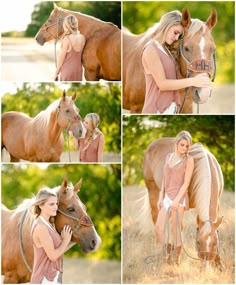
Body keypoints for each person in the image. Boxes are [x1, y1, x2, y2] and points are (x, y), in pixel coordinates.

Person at [141, 10, 211, 114]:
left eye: (179, 35)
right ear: (166, 26)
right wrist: (193, 81)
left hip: (171, 109)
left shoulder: (166, 50)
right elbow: (162, 84)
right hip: (156, 109)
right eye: (175, 32)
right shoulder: (151, 50)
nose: (176, 37)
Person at [156, 131, 194, 265]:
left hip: (179, 198)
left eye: (187, 146)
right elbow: (164, 179)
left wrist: (177, 201)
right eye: (182, 145)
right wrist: (161, 197)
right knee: (159, 228)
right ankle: (166, 254)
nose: (184, 148)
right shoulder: (169, 157)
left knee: (175, 229)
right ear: (177, 143)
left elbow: (186, 183)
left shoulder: (189, 160)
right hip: (167, 197)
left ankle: (176, 260)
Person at [30, 189, 76, 284]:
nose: (55, 207)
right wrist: (65, 241)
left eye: (56, 204)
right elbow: (53, 256)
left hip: (53, 276)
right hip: (43, 279)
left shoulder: (49, 224)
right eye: (51, 204)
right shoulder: (41, 227)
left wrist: (74, 240)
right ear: (41, 205)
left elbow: (59, 250)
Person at [54, 15, 86, 81]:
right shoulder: (83, 37)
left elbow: (61, 58)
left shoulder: (66, 39)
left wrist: (56, 73)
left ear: (66, 25)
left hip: (67, 70)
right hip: (78, 70)